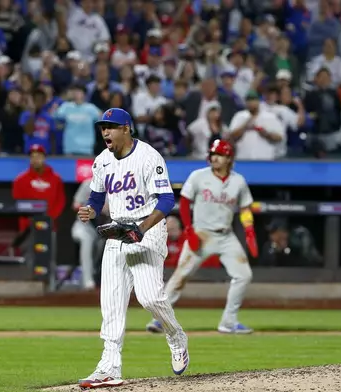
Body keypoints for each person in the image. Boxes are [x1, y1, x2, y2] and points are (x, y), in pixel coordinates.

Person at [77, 108, 189, 388]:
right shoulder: (102, 160)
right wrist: (91, 209)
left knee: (150, 298)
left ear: (126, 128)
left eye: (111, 126)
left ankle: (176, 336)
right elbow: (97, 194)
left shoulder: (148, 156)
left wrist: (143, 228)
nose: (105, 131)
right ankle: (109, 367)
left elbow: (166, 200)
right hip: (117, 231)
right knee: (111, 306)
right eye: (103, 126)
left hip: (147, 229)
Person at [146, 139, 258, 335]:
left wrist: (249, 230)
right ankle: (159, 320)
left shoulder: (238, 181)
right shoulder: (199, 176)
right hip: (201, 233)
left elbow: (245, 208)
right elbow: (184, 203)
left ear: (229, 158)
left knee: (244, 275)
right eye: (213, 154)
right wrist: (189, 231)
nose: (215, 157)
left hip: (226, 235)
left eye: (220, 154)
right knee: (181, 275)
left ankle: (229, 322)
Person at [71, 178, 99, 290]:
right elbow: (75, 205)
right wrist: (87, 208)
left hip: (103, 226)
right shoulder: (88, 183)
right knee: (87, 240)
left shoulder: (117, 184)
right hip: (83, 226)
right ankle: (88, 281)